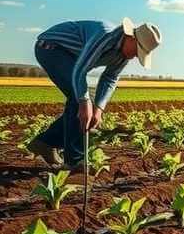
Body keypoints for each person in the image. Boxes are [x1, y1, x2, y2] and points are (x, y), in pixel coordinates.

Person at [28, 18, 162, 168]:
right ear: (130, 38)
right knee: (78, 99)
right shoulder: (104, 36)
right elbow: (80, 70)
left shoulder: (123, 55)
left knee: (87, 105)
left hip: (72, 56)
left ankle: (45, 143)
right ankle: (75, 161)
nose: (136, 56)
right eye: (137, 51)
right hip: (51, 48)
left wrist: (98, 109)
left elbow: (110, 78)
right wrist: (84, 102)